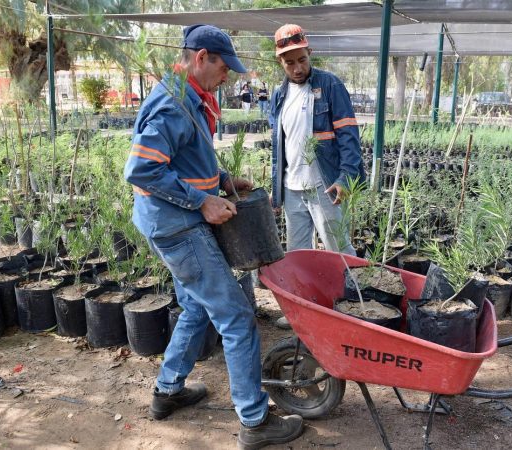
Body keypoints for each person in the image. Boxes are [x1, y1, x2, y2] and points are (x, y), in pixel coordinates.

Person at [123, 24, 304, 450]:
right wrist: (202, 202)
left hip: (170, 223)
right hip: (178, 227)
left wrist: (221, 180)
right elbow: (142, 170)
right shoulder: (172, 104)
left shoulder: (186, 96)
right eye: (224, 68)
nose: (229, 77)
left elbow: (182, 157)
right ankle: (255, 421)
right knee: (238, 318)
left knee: (195, 307)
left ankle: (167, 391)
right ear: (201, 57)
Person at [269, 24, 366, 329]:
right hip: (293, 188)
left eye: (301, 59)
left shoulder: (330, 85)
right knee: (296, 255)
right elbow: (279, 146)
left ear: (309, 53)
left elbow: (349, 136)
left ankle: (354, 308)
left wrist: (346, 178)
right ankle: (302, 312)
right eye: (289, 62)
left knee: (337, 249)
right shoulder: (279, 94)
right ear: (280, 62)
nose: (297, 68)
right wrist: (277, 189)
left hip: (326, 186)